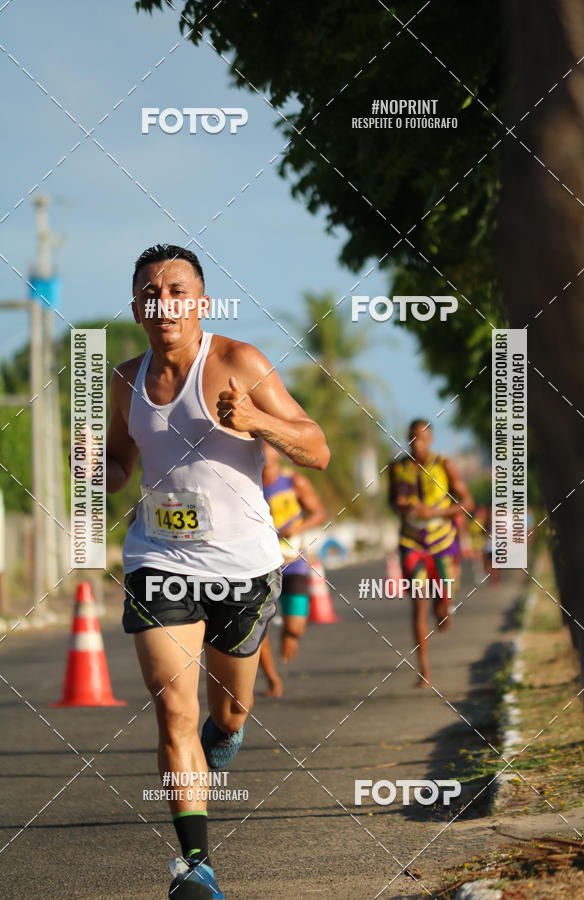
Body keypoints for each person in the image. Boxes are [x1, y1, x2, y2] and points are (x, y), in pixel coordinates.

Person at [105, 244, 330, 899]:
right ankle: (195, 866)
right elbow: (120, 467)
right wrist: (93, 468)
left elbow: (315, 447)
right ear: (138, 306)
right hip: (159, 558)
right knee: (172, 711)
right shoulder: (124, 380)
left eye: (177, 290)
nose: (163, 302)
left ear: (200, 303)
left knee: (229, 711)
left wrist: (255, 419)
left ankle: (226, 732)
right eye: (150, 291)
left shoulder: (237, 362)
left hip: (244, 566)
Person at [388, 419, 474, 687]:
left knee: (441, 607)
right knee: (419, 605)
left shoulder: (443, 464)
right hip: (411, 543)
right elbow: (391, 500)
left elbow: (466, 501)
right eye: (412, 439)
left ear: (431, 440)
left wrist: (435, 512)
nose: (417, 444)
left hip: (442, 543)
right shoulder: (397, 468)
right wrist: (400, 505)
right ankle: (424, 668)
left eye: (422, 439)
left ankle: (444, 607)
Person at [259, 442, 327, 696]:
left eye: (267, 448)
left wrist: (294, 530)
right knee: (258, 625)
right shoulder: (248, 485)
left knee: (296, 625)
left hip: (294, 563)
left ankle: (290, 633)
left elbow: (319, 513)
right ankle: (272, 679)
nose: (263, 454)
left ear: (276, 453)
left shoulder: (294, 482)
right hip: (261, 566)